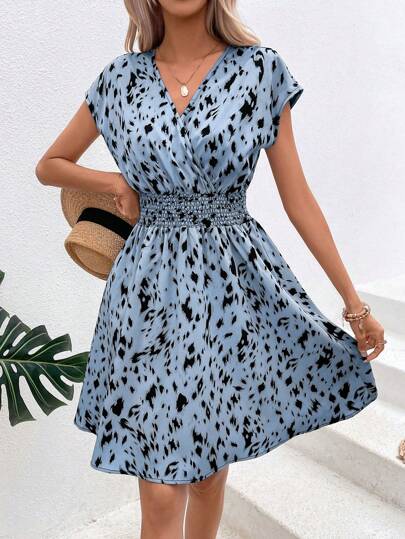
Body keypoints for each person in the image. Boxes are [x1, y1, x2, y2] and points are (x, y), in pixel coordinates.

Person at [35, 1, 385, 537]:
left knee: (206, 471)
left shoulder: (260, 70)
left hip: (227, 288)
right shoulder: (119, 80)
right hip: (147, 293)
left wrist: (354, 305)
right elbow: (50, 165)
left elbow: (298, 200)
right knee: (158, 489)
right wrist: (115, 183)